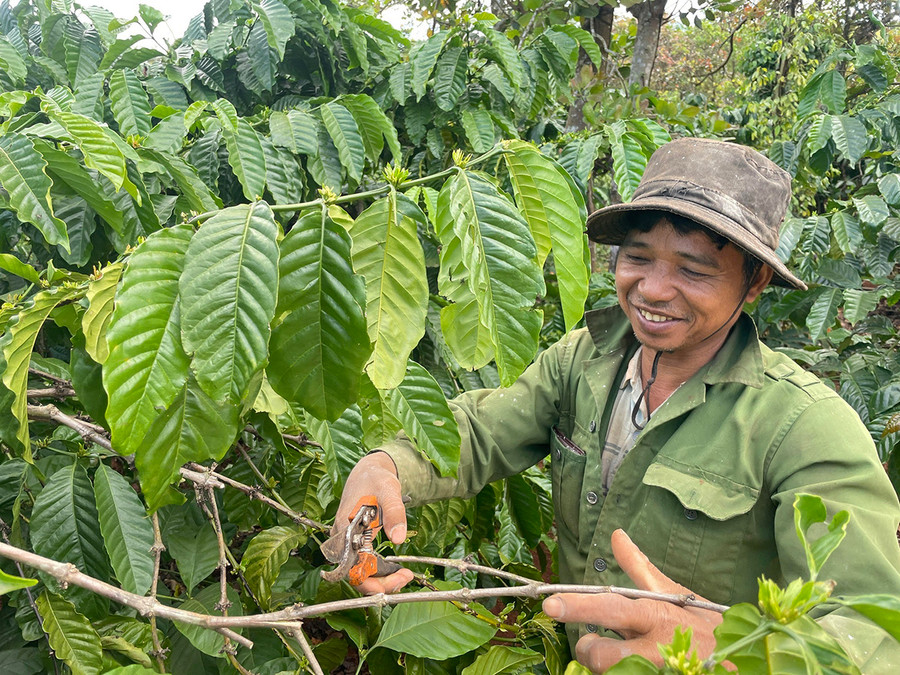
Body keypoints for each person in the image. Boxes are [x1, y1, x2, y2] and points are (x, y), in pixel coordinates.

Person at [334, 138, 900, 672]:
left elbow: (873, 627)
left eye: (694, 269)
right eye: (637, 258)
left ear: (754, 284)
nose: (652, 289)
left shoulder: (806, 426)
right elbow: (482, 431)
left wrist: (735, 648)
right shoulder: (584, 360)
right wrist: (388, 466)